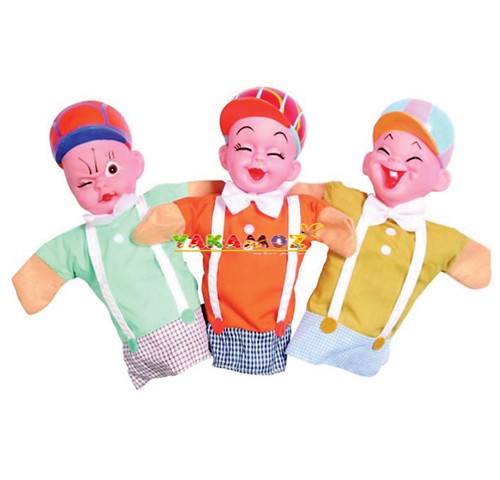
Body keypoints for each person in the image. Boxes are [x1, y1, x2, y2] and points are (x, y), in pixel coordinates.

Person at [133, 87, 356, 375]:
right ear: (225, 156)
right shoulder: (210, 209)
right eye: (244, 148)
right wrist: (161, 219)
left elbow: (337, 231)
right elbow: (171, 219)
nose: (258, 158)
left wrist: (338, 226)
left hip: (273, 335)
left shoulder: (299, 212)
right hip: (214, 332)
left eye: (274, 152)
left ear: (292, 169)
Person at [12, 100, 223, 388]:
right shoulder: (78, 244)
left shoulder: (159, 200)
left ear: (136, 164)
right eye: (84, 183)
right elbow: (33, 285)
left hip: (198, 333)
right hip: (144, 354)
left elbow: (218, 197)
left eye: (111, 169)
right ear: (70, 187)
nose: (101, 185)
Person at [286, 98, 491, 376]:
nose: (395, 161)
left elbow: (480, 269)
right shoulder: (344, 199)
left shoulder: (439, 240)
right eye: (384, 150)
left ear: (440, 180)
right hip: (315, 336)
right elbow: (294, 198)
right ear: (366, 162)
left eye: (414, 158)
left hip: (368, 352)